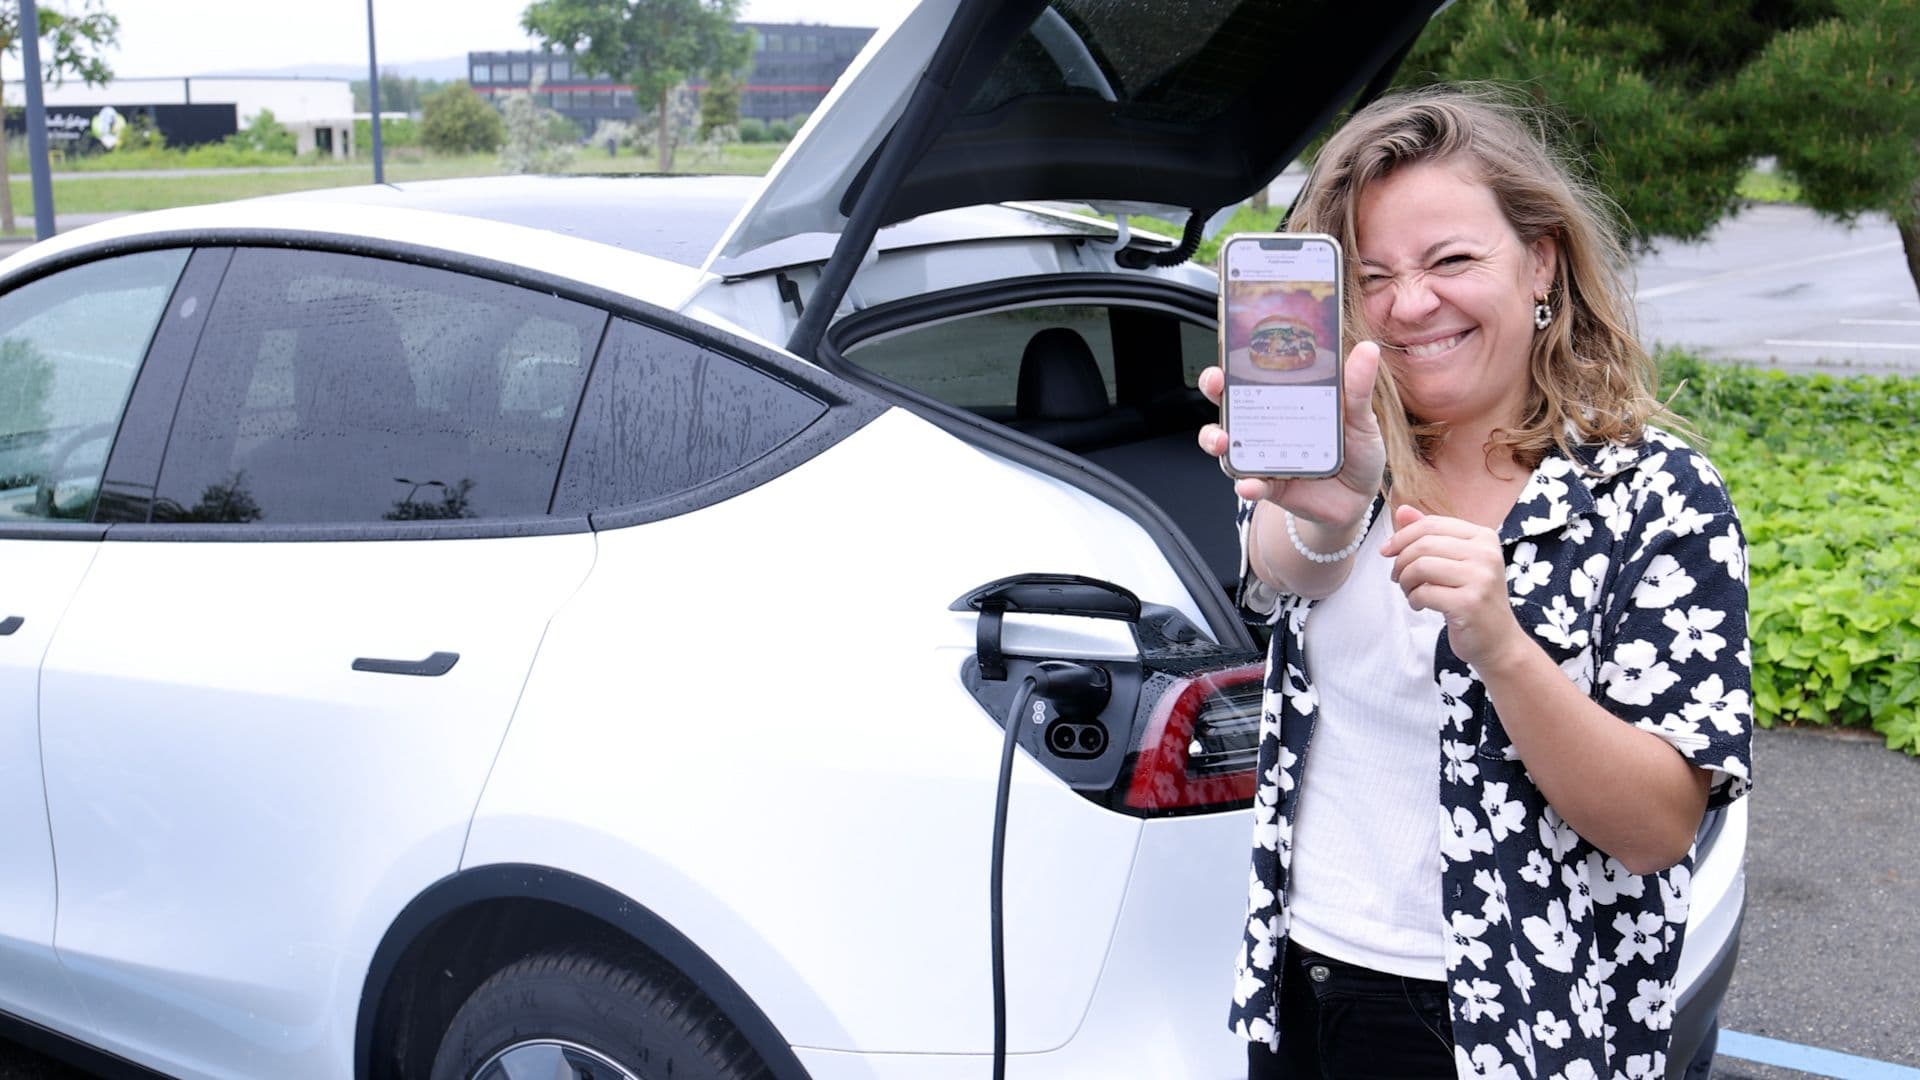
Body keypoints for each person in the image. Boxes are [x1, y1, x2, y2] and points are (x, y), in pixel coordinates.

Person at [1196, 85, 1753, 1080]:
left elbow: (1657, 828)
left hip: (1511, 1023)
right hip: (1302, 982)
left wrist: (1501, 647)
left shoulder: (1653, 497)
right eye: (1373, 277)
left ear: (1539, 260)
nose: (1411, 304)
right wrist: (1324, 518)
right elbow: (1273, 575)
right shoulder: (1338, 443)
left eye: (1451, 260)